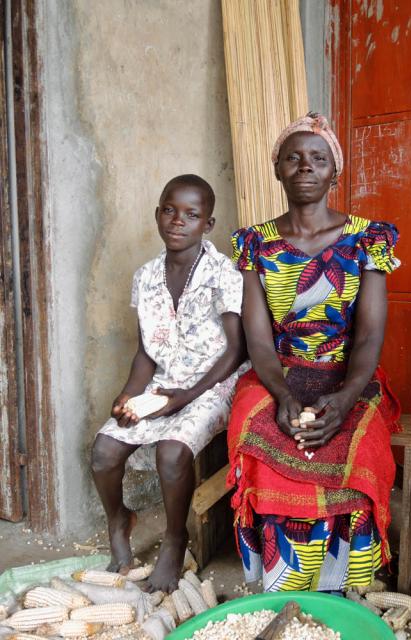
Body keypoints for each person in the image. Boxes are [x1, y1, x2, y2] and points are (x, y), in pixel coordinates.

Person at [227, 113, 401, 593]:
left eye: (318, 159)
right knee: (255, 425)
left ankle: (343, 581)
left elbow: (368, 337)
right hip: (278, 372)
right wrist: (282, 395)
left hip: (348, 374)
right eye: (294, 158)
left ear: (334, 173)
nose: (306, 167)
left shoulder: (367, 239)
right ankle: (284, 578)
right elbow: (259, 341)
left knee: (357, 441)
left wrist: (344, 399)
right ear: (278, 169)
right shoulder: (254, 244)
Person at [91, 174, 246, 593]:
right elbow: (147, 352)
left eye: (192, 214)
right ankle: (119, 517)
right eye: (169, 210)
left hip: (215, 386)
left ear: (207, 224)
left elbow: (236, 352)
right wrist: (129, 393)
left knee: (172, 452)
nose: (178, 221)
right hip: (163, 385)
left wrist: (185, 398)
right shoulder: (145, 277)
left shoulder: (224, 274)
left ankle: (176, 538)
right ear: (157, 214)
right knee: (104, 451)